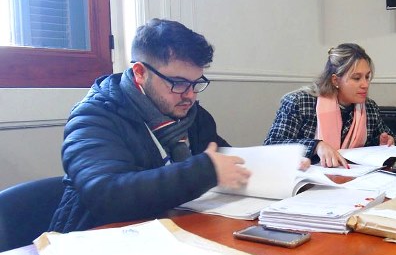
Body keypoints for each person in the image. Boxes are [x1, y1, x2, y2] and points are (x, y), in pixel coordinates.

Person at [50, 18, 250, 233]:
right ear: (140, 72)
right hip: (98, 239)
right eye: (178, 83)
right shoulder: (92, 117)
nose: (190, 95)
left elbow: (227, 162)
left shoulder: (195, 117)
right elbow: (106, 195)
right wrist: (204, 171)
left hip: (172, 232)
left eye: (196, 83)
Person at [264, 43, 396, 168]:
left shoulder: (369, 108)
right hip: (308, 178)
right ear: (335, 80)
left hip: (354, 177)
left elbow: (388, 139)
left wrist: (383, 142)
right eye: (356, 78)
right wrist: (316, 146)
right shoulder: (300, 102)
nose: (365, 84)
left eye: (367, 77)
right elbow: (272, 145)